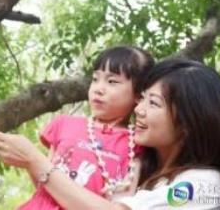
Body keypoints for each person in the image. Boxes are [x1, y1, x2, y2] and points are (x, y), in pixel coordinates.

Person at [0, 58, 220, 210]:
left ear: (188, 122)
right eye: (142, 99)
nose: (138, 110)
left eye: (153, 103)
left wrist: (36, 161)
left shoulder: (206, 185)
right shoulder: (140, 173)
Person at [14, 46, 155, 209]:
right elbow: (42, 177)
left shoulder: (138, 143)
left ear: (139, 95)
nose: (98, 89)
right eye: (95, 79)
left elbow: (124, 200)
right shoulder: (64, 124)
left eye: (112, 82)